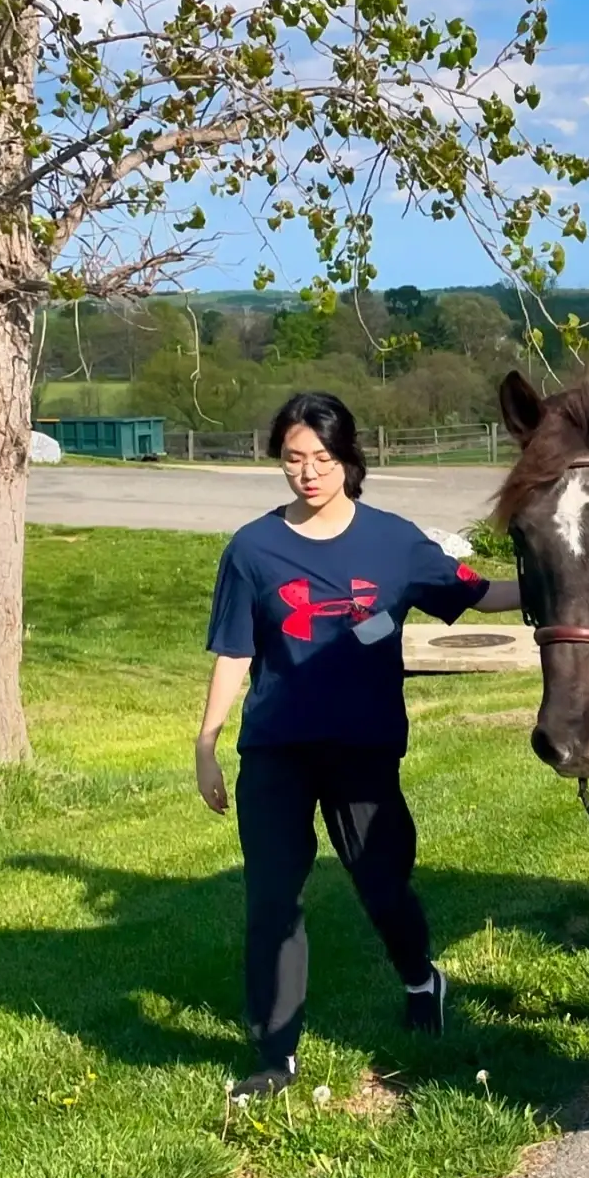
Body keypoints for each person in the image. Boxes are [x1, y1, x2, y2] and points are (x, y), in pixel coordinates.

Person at [195, 391, 520, 1098]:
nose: (307, 473)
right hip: (276, 747)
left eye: (321, 458)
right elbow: (233, 651)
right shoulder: (252, 550)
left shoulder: (394, 542)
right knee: (272, 897)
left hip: (364, 750)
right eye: (292, 459)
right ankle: (275, 1056)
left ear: (348, 459)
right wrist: (207, 741)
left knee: (381, 884)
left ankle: (419, 977)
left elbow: (474, 592)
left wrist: (559, 583)